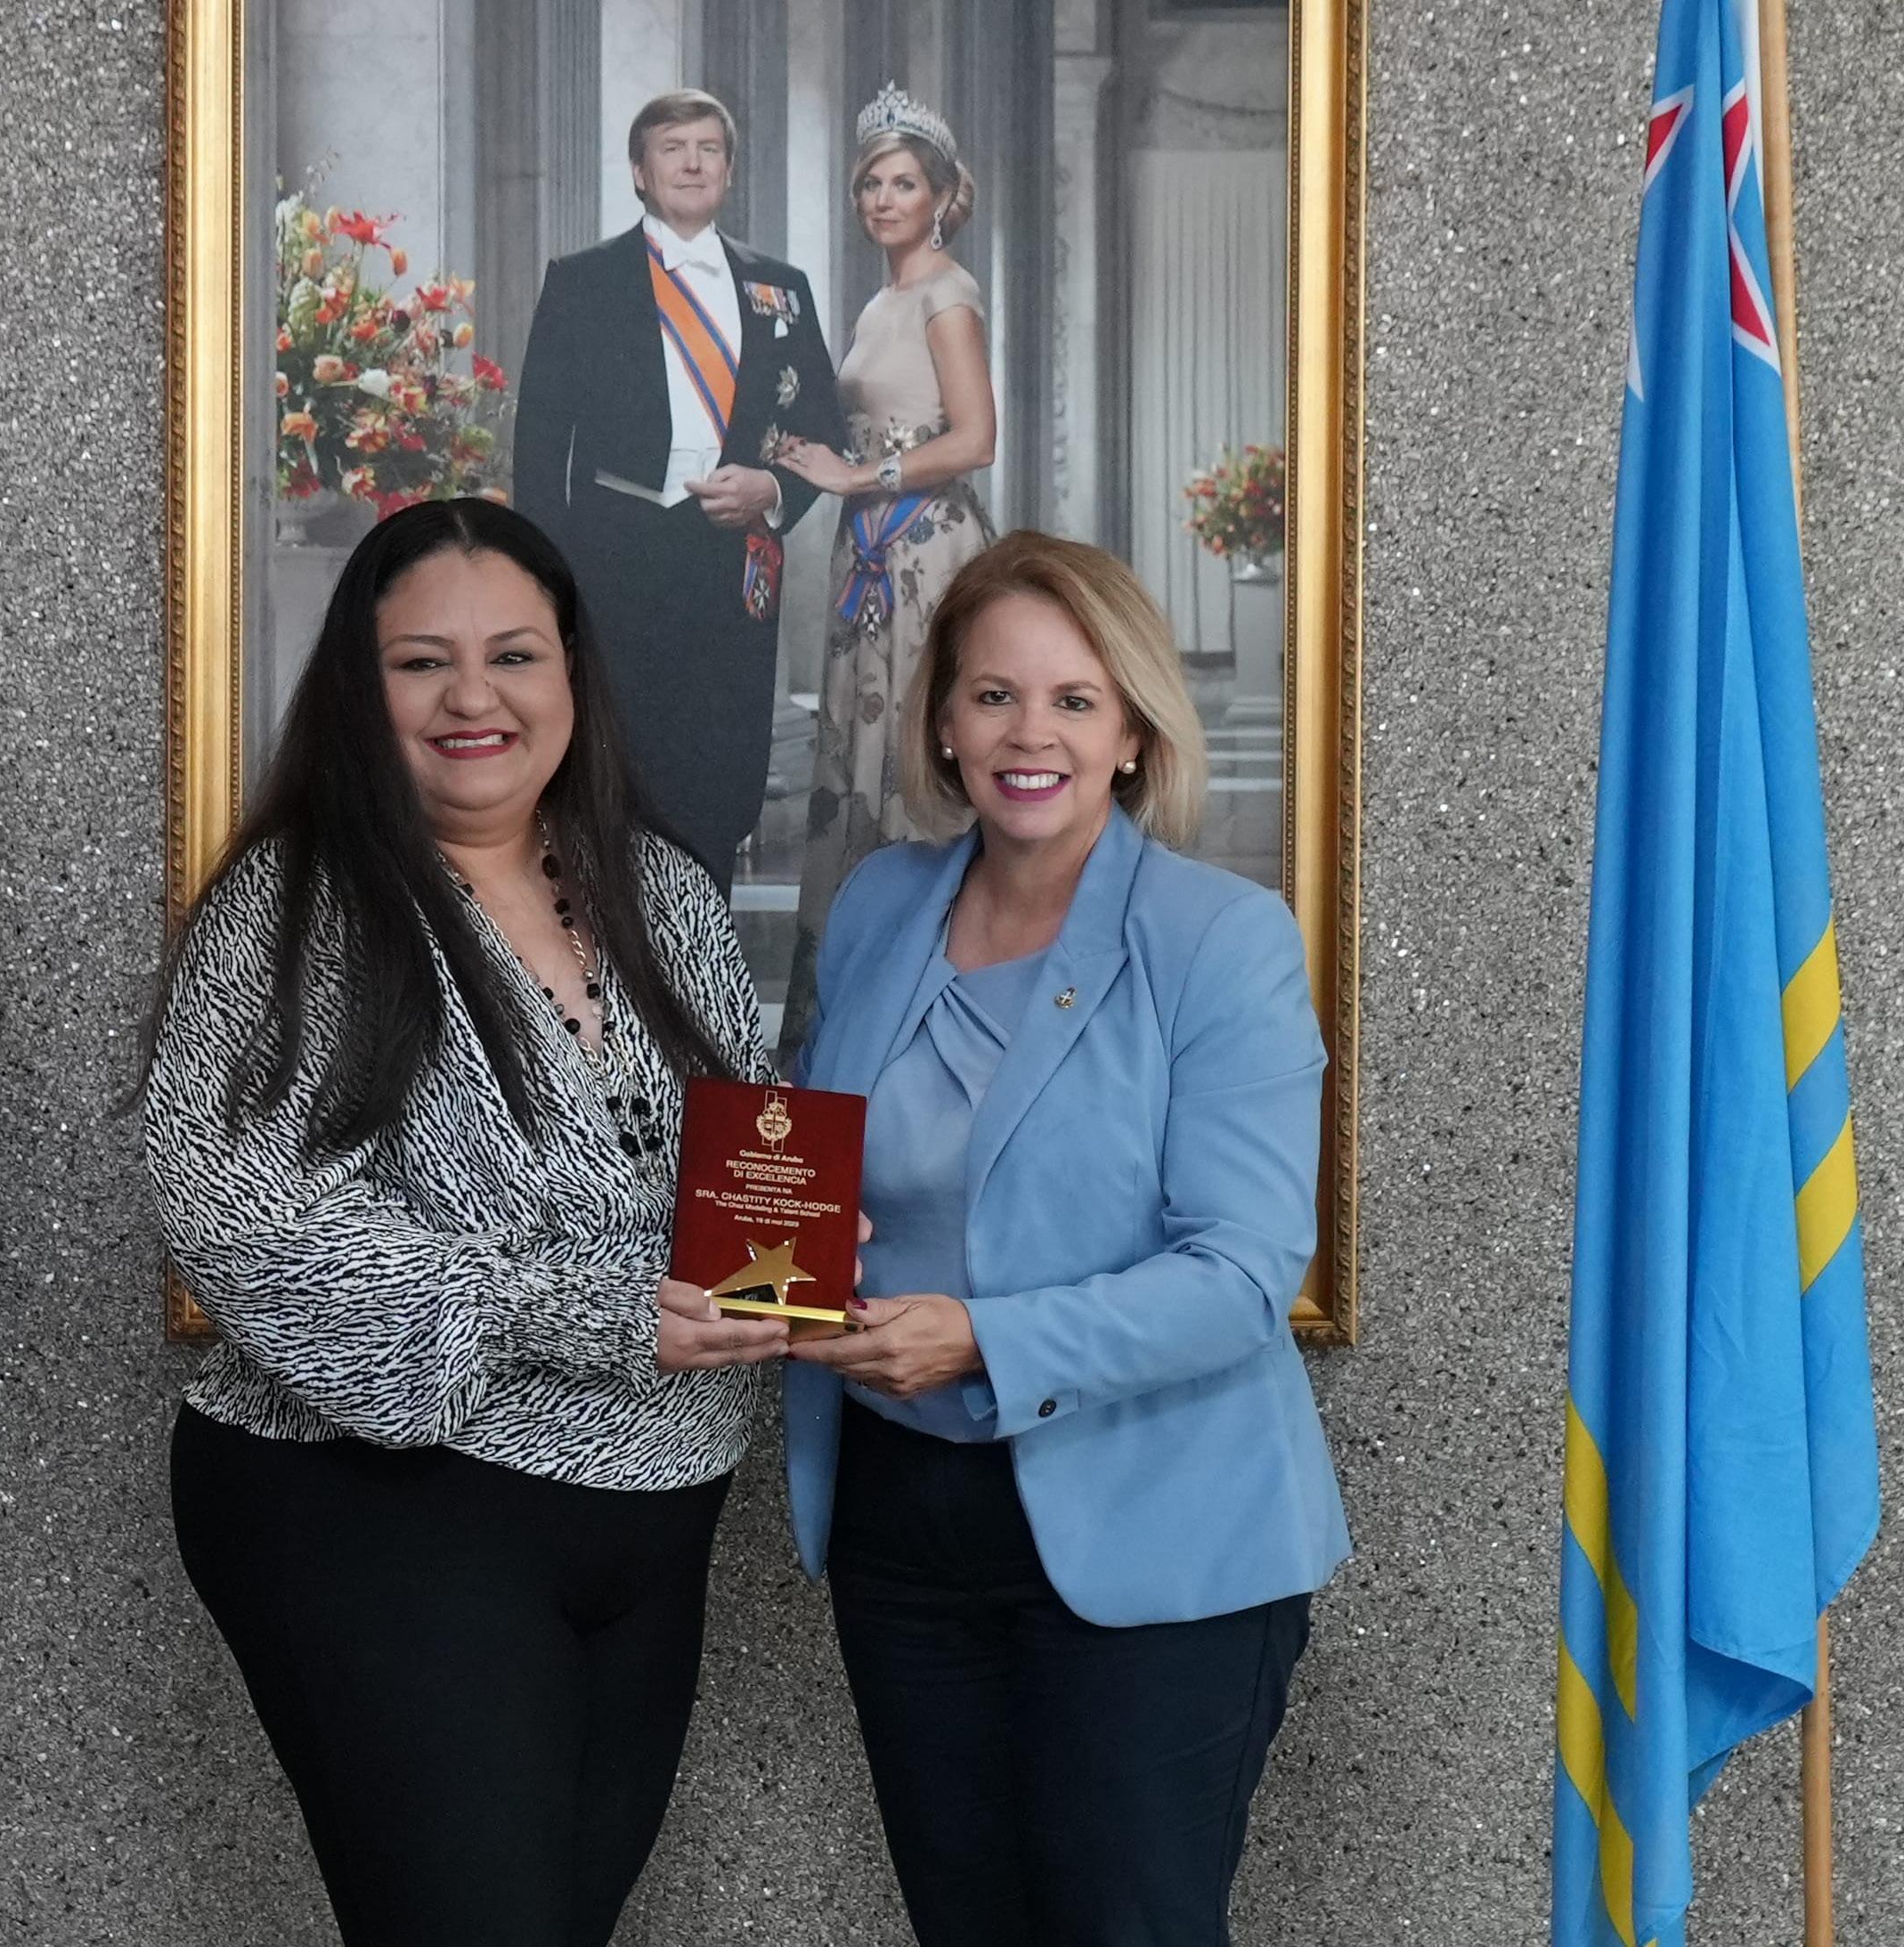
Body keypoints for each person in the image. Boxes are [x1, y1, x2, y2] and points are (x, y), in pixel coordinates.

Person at [144, 498, 793, 1947]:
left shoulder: (661, 889)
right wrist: (586, 1309)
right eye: (421, 662)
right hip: (383, 1505)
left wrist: (806, 1260)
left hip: (659, 1497)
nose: (472, 698)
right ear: (358, 687)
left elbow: (746, 1148)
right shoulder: (296, 905)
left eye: (512, 655)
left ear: (572, 673)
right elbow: (232, 1204)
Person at [784, 532, 1348, 1947]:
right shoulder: (879, 905)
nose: (1028, 734)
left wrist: (984, 1337)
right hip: (901, 1524)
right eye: (993, 696)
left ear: (1134, 732)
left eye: (1074, 700)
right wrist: (798, 1256)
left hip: (1152, 1526)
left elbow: (1240, 1272)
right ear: (942, 723)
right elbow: (820, 1158)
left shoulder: (1222, 938)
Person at [512, 87, 847, 885]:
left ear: (728, 170)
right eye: (673, 149)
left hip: (730, 557)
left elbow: (826, 428)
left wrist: (773, 490)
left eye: (708, 149)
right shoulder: (582, 279)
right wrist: (546, 583)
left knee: (718, 778)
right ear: (640, 171)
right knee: (610, 776)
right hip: (613, 556)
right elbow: (540, 445)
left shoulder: (781, 287)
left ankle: (704, 942)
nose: (692, 164)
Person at [769, 83, 998, 1040]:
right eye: (870, 183)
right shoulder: (877, 302)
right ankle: (852, 1017)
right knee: (856, 762)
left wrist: (864, 475)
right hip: (863, 554)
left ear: (940, 195)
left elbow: (976, 439)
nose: (882, 199)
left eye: (902, 183)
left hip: (925, 553)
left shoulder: (947, 293)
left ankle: (926, 1009)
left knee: (915, 759)